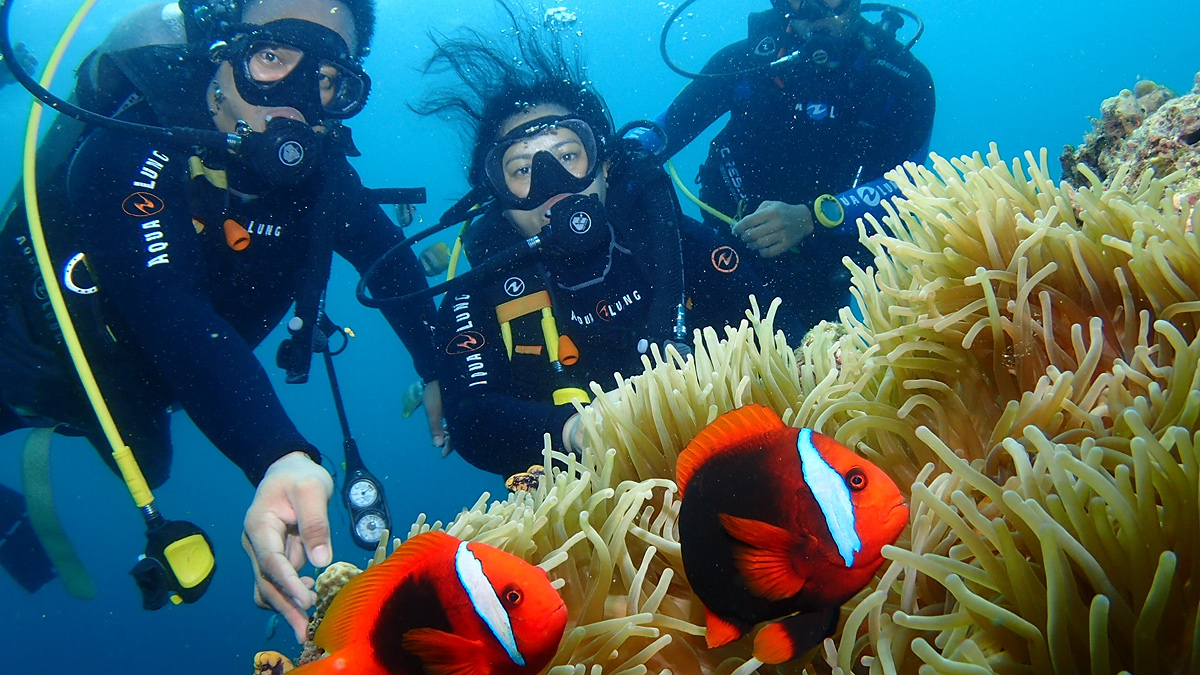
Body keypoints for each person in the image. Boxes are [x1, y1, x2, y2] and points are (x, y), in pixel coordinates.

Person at [0, 0, 439, 642]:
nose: (293, 98)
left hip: (144, 397)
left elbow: (396, 271)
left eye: (323, 79)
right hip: (20, 357)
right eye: (271, 58)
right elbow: (172, 310)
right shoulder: (126, 147)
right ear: (219, 53)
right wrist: (279, 456)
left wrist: (439, 370)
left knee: (154, 466)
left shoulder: (322, 182)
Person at [414, 6, 797, 478]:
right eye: (521, 170)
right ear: (498, 197)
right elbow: (472, 418)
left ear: (605, 166)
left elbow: (777, 328)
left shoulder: (666, 238)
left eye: (568, 156)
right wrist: (572, 431)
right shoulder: (483, 287)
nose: (552, 184)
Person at [641, 0, 935, 327]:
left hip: (820, 272)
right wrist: (600, 152)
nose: (814, 8)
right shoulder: (747, 62)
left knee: (804, 365)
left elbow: (904, 184)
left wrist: (814, 217)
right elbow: (664, 129)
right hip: (724, 252)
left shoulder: (901, 79)